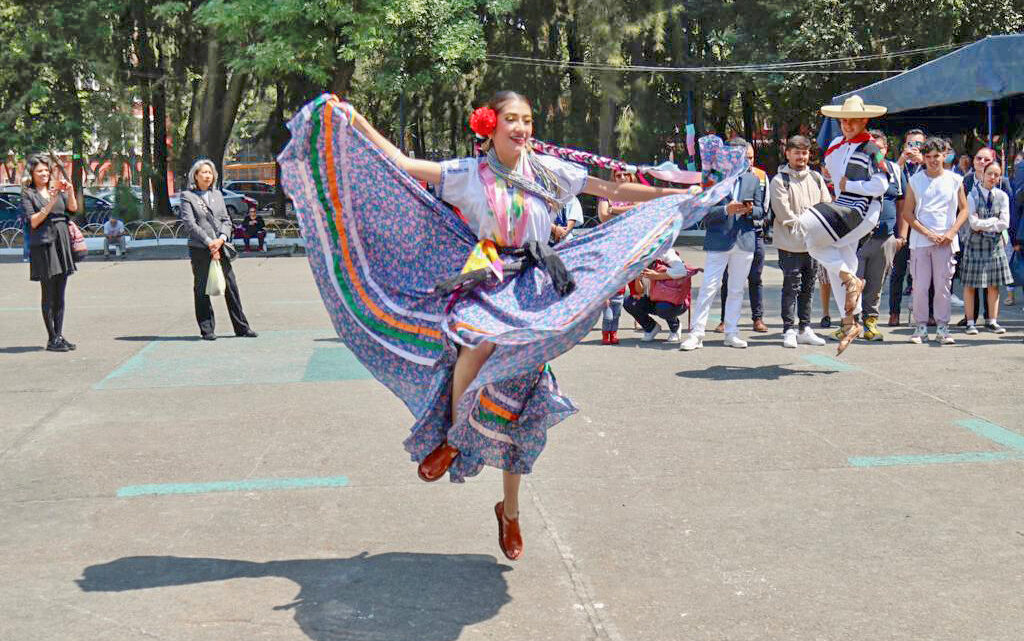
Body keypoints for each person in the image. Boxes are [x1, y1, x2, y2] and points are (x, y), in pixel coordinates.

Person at [282, 92, 724, 561]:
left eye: (528, 120)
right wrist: (354, 121)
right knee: (476, 335)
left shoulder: (551, 171)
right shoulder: (469, 174)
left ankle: (509, 512)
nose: (521, 127)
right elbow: (403, 163)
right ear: (490, 126)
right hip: (490, 277)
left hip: (535, 286)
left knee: (515, 412)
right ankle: (453, 442)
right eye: (511, 119)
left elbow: (610, 191)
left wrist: (673, 194)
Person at [783, 95, 890, 354]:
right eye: (844, 120)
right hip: (842, 205)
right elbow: (833, 168)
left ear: (864, 120)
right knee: (838, 259)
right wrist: (833, 178)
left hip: (861, 210)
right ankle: (850, 321)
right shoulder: (835, 144)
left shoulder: (872, 149)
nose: (848, 125)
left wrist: (849, 185)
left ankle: (851, 292)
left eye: (853, 121)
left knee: (807, 226)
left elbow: (883, 184)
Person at [680, 138, 764, 351]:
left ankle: (732, 332)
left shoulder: (753, 180)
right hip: (719, 239)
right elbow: (705, 213)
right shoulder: (713, 179)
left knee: (736, 289)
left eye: (745, 157)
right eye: (738, 156)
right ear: (727, 156)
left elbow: (762, 211)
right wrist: (726, 210)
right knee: (709, 287)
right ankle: (696, 334)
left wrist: (749, 210)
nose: (744, 161)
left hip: (744, 240)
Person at [178, 159, 258, 341]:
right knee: (201, 288)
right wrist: (208, 242)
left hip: (221, 246)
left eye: (210, 172)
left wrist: (221, 239)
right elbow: (190, 224)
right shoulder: (187, 196)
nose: (207, 175)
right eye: (203, 172)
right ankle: (207, 329)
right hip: (200, 248)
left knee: (231, 286)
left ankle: (242, 327)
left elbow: (226, 220)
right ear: (195, 176)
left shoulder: (218, 195)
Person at [902, 137, 968, 345]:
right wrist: (927, 233)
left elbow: (964, 209)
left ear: (944, 155)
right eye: (928, 156)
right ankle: (920, 327)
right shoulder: (915, 180)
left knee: (943, 287)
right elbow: (907, 213)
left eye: (936, 156)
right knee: (920, 286)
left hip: (946, 242)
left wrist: (951, 233)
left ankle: (943, 327)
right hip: (921, 242)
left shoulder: (955, 180)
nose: (932, 160)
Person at [770, 135, 830, 348]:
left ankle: (805, 328)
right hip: (790, 244)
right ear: (787, 154)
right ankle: (788, 329)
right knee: (791, 287)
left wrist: (819, 231)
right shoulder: (779, 180)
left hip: (813, 245)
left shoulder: (816, 178)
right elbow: (784, 214)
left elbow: (826, 206)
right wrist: (809, 227)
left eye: (804, 153)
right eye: (796, 152)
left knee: (808, 287)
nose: (801, 157)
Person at [22, 154, 80, 351]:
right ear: (32, 173)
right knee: (48, 293)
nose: (45, 173)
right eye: (40, 171)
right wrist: (50, 202)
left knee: (61, 293)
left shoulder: (56, 190)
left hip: (61, 242)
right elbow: (34, 221)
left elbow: (72, 209)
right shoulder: (28, 194)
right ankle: (51, 338)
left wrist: (70, 191)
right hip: (44, 245)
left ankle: (60, 335)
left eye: (46, 170)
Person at [851, 130, 904, 342]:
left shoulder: (895, 170)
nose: (876, 153)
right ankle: (850, 323)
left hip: (885, 237)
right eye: (872, 149)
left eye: (880, 149)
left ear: (886, 149)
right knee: (853, 282)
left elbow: (902, 203)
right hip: (857, 237)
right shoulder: (855, 169)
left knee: (876, 283)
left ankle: (870, 322)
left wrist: (901, 236)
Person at [958, 147, 1016, 324]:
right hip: (970, 237)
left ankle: (989, 317)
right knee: (972, 281)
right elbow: (965, 211)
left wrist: (987, 224)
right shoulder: (967, 180)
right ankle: (971, 318)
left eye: (985, 159)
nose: (981, 162)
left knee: (991, 283)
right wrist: (988, 223)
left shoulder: (1003, 185)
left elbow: (1007, 217)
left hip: (995, 242)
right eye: (978, 158)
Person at [718, 140, 768, 334]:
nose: (749, 161)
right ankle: (724, 320)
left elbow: (764, 208)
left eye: (751, 157)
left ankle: (758, 319)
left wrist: (751, 211)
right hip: (729, 233)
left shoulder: (761, 176)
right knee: (727, 279)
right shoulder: (723, 177)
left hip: (754, 233)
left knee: (755, 278)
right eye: (745, 157)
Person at [888, 128, 927, 326]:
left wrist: (922, 160)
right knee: (898, 271)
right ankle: (894, 312)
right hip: (902, 224)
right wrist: (902, 161)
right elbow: (888, 183)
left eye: (918, 144)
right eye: (910, 144)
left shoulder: (929, 166)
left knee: (923, 272)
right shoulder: (897, 166)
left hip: (924, 225)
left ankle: (925, 313)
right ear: (904, 146)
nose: (914, 148)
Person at [596, 171, 638, 344]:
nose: (621, 177)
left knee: (630, 287)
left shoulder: (636, 192)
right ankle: (607, 332)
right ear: (613, 177)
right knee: (609, 284)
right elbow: (603, 216)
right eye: (618, 175)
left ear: (631, 177)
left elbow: (638, 209)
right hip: (610, 243)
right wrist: (624, 211)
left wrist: (614, 209)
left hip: (630, 243)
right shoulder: (605, 194)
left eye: (625, 175)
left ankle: (619, 328)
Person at [623, 247, 693, 343]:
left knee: (663, 307)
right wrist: (637, 279)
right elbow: (637, 293)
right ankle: (651, 328)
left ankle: (675, 326)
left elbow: (682, 271)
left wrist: (657, 276)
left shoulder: (665, 252)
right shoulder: (634, 258)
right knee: (630, 302)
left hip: (673, 300)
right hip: (651, 298)